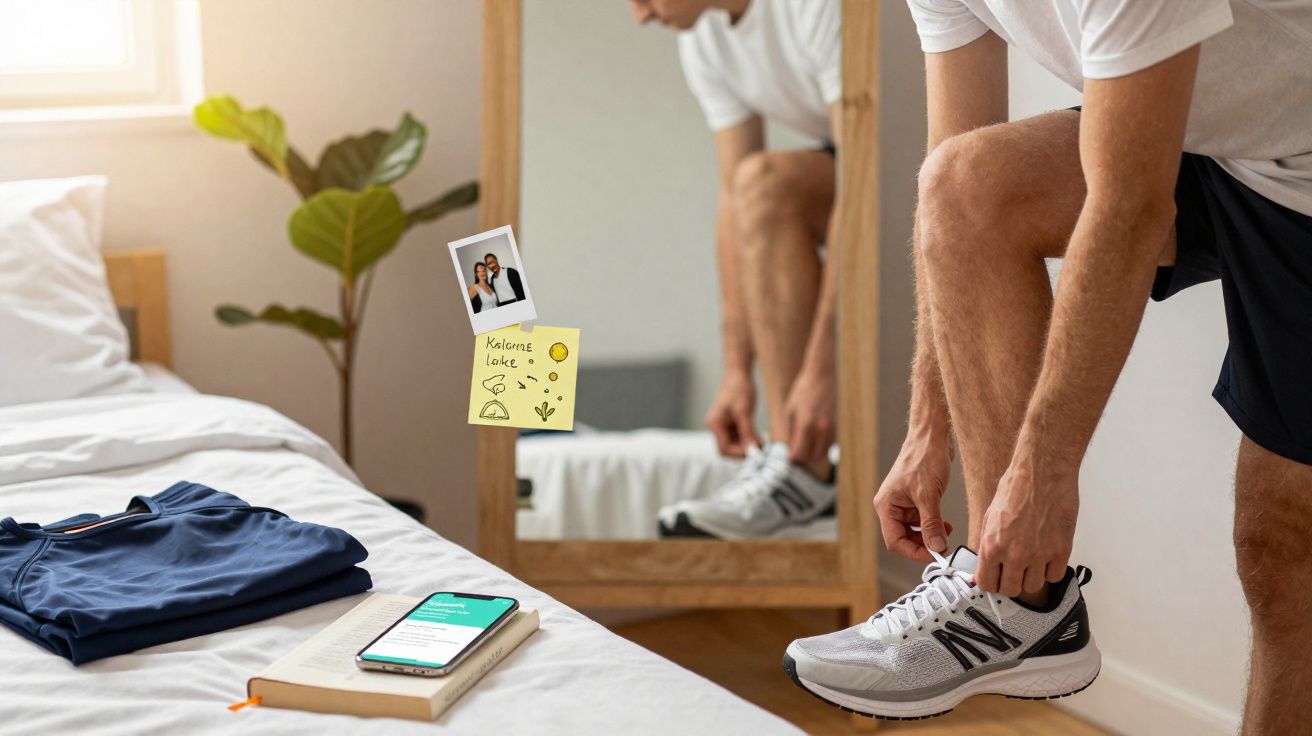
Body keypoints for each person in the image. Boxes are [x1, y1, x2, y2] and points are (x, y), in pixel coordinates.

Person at [784, 1, 1312, 728]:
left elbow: (1131, 209)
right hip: (1208, 135)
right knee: (963, 184)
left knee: (1283, 545)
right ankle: (1022, 604)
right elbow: (951, 168)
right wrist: (926, 425)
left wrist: (1043, 476)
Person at [629, 0, 843, 539]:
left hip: (912, 159)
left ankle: (801, 465)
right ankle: (794, 458)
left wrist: (823, 368)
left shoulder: (816, 8)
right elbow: (734, 202)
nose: (640, 15)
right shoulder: (701, 41)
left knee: (767, 180)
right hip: (848, 161)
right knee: (756, 185)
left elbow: (864, 174)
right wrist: (734, 371)